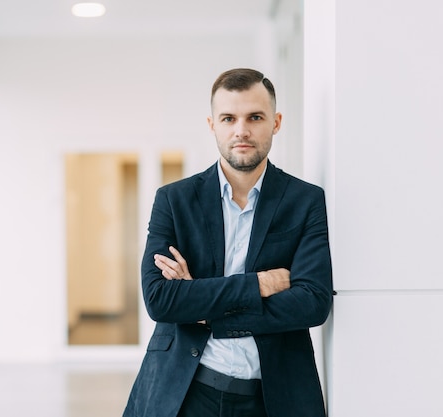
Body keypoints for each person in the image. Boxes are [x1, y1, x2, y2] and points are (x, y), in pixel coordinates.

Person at [123, 68, 333, 417]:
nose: (241, 130)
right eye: (228, 118)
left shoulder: (305, 201)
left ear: (276, 122)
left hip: (274, 397)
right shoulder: (174, 201)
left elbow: (312, 302)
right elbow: (161, 300)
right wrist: (260, 284)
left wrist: (205, 309)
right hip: (185, 392)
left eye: (255, 117)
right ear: (212, 125)